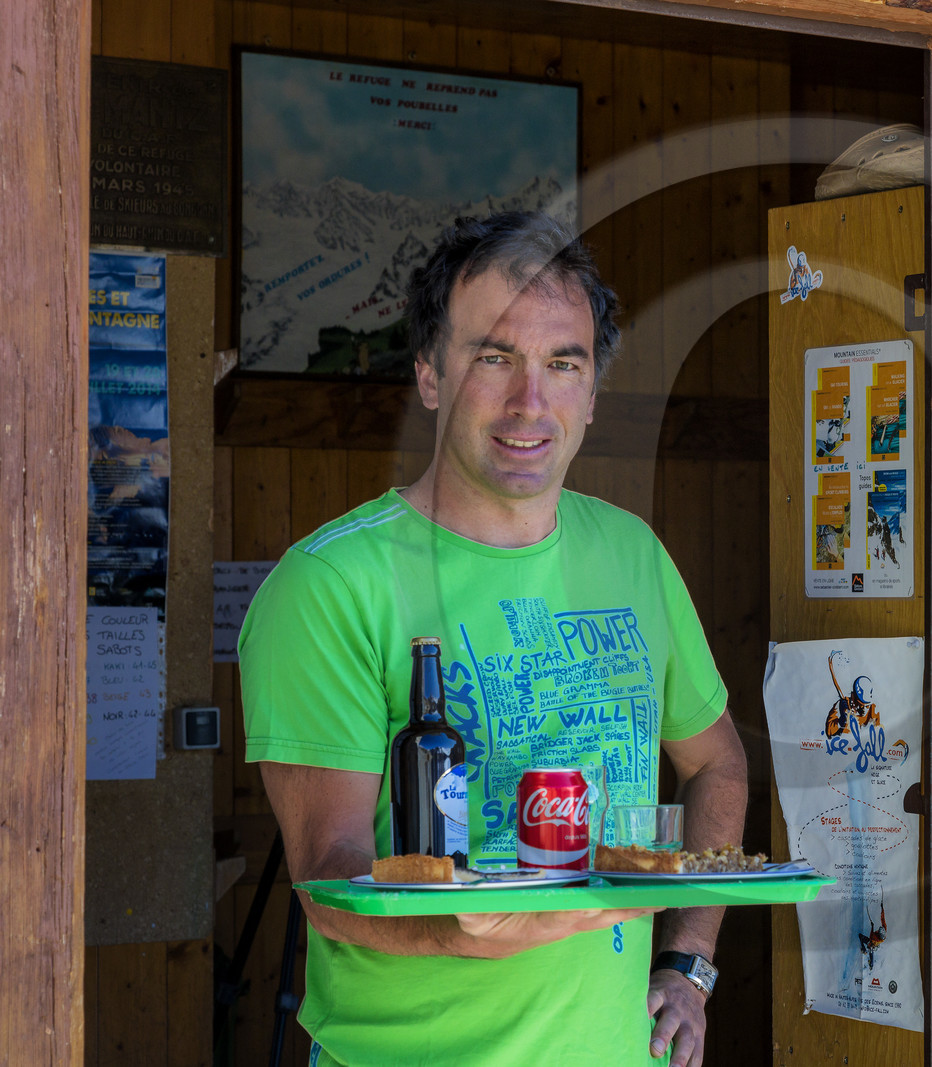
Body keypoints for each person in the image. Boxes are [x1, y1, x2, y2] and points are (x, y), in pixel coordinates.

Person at [239, 211, 748, 1067]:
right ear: (430, 374)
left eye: (563, 364)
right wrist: (478, 931)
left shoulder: (634, 555)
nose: (530, 401)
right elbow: (329, 880)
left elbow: (716, 763)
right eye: (493, 357)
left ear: (593, 393)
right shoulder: (331, 584)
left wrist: (689, 962)